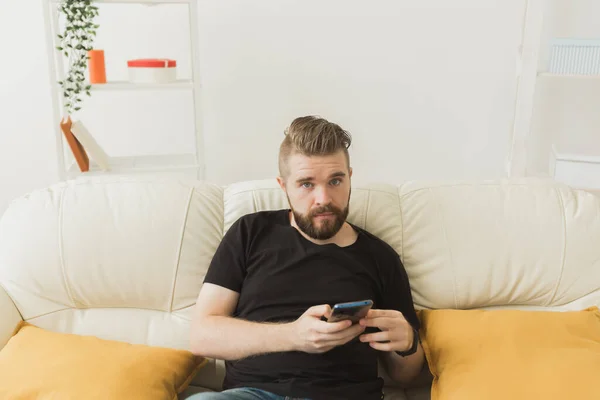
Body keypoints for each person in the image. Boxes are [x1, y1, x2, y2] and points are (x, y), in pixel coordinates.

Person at [189, 116, 425, 400]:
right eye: (306, 184)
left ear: (350, 177)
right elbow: (201, 336)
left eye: (335, 180)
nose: (323, 198)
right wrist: (294, 335)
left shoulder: (380, 256)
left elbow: (406, 375)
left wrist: (408, 343)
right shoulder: (250, 233)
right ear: (283, 185)